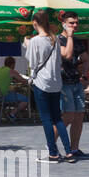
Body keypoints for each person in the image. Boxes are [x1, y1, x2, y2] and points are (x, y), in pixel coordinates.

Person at [23, 9, 75, 162]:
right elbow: (59, 60)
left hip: (42, 83)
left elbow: (32, 62)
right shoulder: (54, 39)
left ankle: (53, 152)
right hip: (56, 83)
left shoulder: (35, 41)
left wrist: (27, 45)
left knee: (46, 119)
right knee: (58, 118)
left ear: (35, 23)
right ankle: (69, 151)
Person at [57, 11, 89, 156]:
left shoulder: (78, 41)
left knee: (79, 116)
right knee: (68, 116)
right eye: (71, 22)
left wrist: (83, 74)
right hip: (63, 83)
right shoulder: (57, 40)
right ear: (63, 23)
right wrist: (69, 36)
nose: (75, 25)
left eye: (76, 22)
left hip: (76, 82)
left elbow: (86, 58)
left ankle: (74, 148)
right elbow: (67, 55)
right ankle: (51, 145)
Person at [0, 56, 30, 122]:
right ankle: (12, 114)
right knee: (26, 100)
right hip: (3, 96)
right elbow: (23, 80)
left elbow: (3, 80)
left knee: (5, 99)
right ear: (13, 64)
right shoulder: (11, 71)